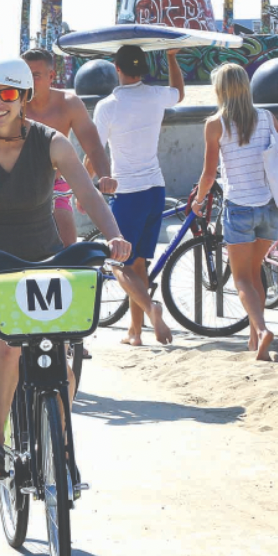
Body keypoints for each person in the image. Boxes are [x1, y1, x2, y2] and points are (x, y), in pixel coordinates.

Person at [0, 56, 131, 480]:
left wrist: (113, 234)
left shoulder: (52, 142)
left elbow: (88, 194)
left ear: (24, 96)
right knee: (8, 342)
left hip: (45, 261)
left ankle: (59, 444)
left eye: (8, 94)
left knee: (61, 350)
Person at [91, 45, 185, 347]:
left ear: (116, 68)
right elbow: (178, 92)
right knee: (138, 264)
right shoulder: (157, 96)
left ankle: (151, 308)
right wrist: (171, 58)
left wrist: (82, 186)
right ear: (143, 69)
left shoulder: (108, 105)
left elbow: (95, 151)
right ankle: (135, 332)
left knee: (117, 264)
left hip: (127, 192)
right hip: (155, 189)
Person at [191, 64, 278, 362]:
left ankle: (262, 328)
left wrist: (199, 200)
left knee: (242, 279)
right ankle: (255, 337)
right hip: (269, 206)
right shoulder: (268, 117)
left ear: (221, 90)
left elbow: (208, 174)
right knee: (256, 273)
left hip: (239, 207)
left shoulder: (215, 124)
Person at [21, 49, 117, 245]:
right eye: (25, 75)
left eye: (35, 75)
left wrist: (105, 175)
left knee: (68, 245)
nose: (29, 81)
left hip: (57, 183)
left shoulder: (69, 104)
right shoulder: (14, 104)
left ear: (51, 76)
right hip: (20, 185)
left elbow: (94, 146)